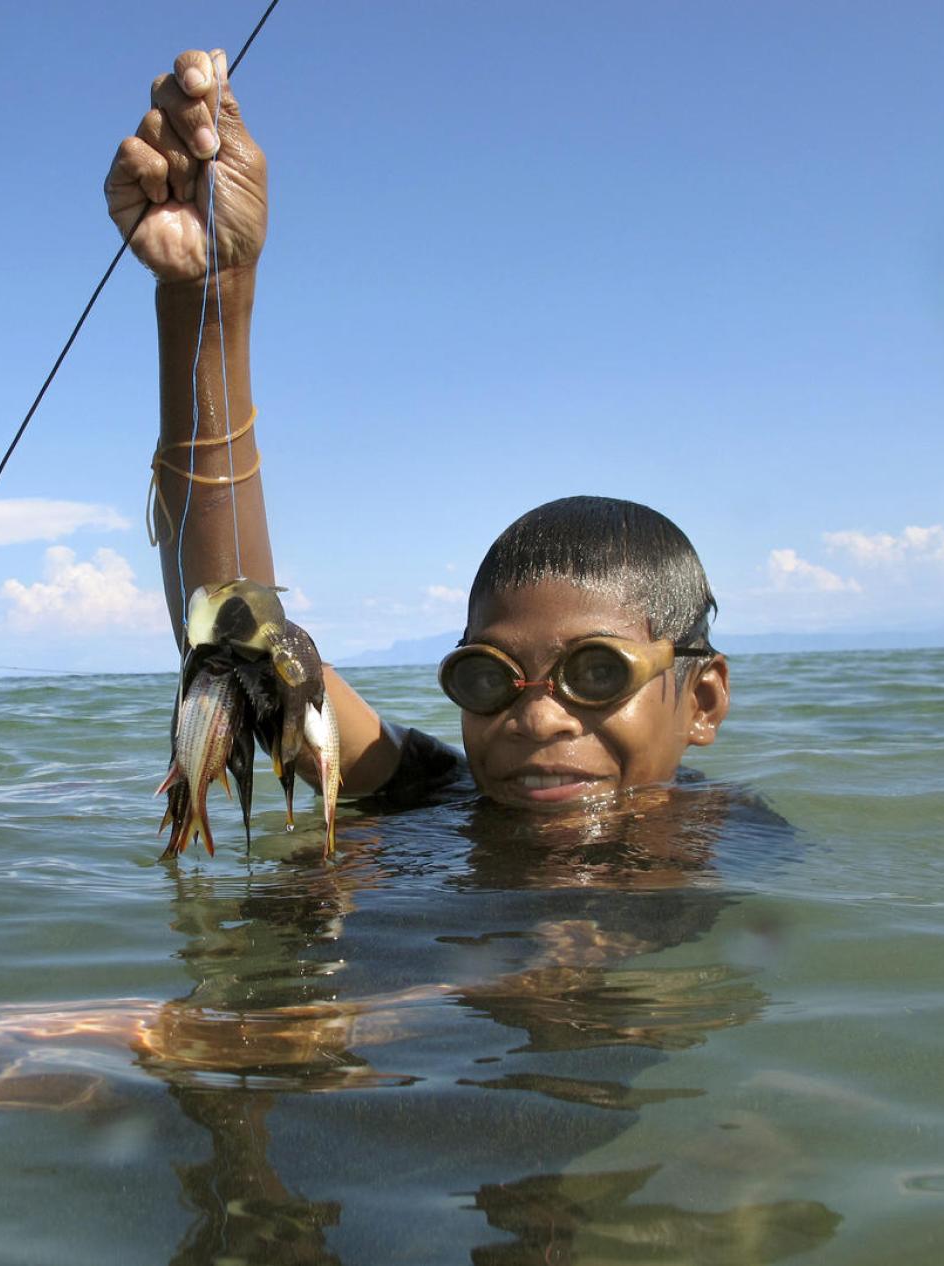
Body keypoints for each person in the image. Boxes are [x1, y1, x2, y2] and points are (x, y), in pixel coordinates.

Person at [106, 50, 730, 813]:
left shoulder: (748, 855)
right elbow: (243, 647)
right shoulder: (435, 795)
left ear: (702, 700)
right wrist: (210, 292)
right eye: (486, 678)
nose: (535, 718)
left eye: (596, 673)